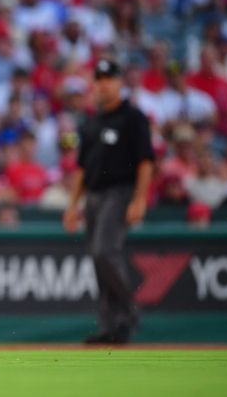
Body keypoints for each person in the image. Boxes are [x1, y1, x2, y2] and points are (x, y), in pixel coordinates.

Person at [63, 59, 154, 344]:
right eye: (99, 78)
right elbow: (80, 168)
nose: (103, 84)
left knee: (104, 252)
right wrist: (72, 205)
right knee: (98, 260)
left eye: (108, 78)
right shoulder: (92, 122)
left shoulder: (132, 117)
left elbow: (145, 162)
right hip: (94, 195)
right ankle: (112, 327)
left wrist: (140, 200)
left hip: (120, 192)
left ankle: (128, 310)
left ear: (118, 82)